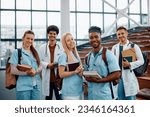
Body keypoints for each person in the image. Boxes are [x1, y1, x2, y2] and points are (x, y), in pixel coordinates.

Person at [84, 26, 121, 100]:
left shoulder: (108, 54)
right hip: (91, 96)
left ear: (100, 37)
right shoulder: (87, 57)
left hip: (105, 96)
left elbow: (117, 74)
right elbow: (86, 74)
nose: (94, 39)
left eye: (96, 37)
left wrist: (100, 80)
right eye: (91, 37)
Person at [111, 26, 144, 100]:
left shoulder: (134, 46)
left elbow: (141, 61)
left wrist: (130, 64)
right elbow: (112, 62)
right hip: (118, 78)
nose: (121, 36)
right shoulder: (114, 48)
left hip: (129, 76)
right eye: (118, 34)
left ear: (126, 33)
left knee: (130, 100)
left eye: (122, 33)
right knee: (120, 99)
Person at [9, 30, 42, 100]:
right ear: (23, 38)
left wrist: (35, 72)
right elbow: (13, 70)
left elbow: (40, 66)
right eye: (28, 38)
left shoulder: (35, 52)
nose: (30, 41)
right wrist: (26, 73)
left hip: (36, 87)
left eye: (32, 39)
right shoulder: (16, 52)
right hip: (23, 87)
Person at [39, 25, 63, 100]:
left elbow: (64, 59)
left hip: (58, 79)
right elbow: (39, 61)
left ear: (57, 35)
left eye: (54, 34)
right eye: (50, 33)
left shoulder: (61, 47)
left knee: (59, 98)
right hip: (48, 78)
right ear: (48, 34)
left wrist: (57, 63)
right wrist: (47, 65)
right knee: (48, 98)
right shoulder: (42, 47)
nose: (52, 35)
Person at [58, 32, 83, 100]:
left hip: (78, 89)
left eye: (72, 39)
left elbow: (78, 72)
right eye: (68, 40)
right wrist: (74, 72)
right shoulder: (63, 55)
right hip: (70, 92)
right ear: (64, 43)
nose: (71, 41)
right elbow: (61, 74)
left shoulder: (75, 54)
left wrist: (81, 72)